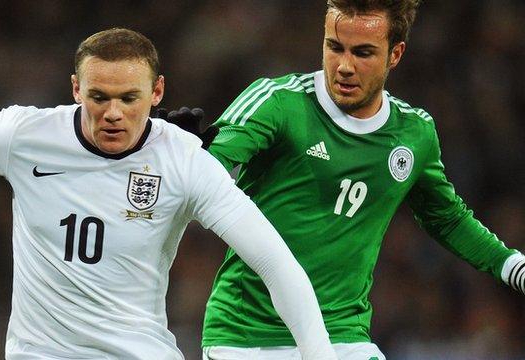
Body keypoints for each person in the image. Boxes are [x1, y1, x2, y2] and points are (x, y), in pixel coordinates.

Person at [0, 28, 337, 359]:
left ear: (157, 91)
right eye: (99, 96)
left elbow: (275, 262)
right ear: (76, 88)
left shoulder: (183, 160)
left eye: (129, 98)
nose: (113, 114)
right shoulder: (25, 135)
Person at [184, 1, 525, 359]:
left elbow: (448, 219)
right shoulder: (278, 102)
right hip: (248, 336)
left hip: (344, 335)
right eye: (335, 47)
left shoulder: (414, 133)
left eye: (363, 53)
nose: (344, 66)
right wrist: (183, 154)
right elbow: (207, 170)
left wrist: (513, 267)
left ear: (395, 54)